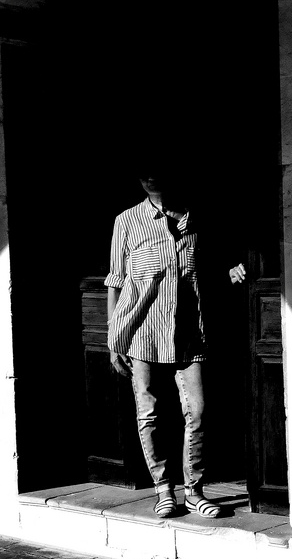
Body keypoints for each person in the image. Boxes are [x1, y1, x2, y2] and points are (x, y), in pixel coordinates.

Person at [105, 160, 245, 518]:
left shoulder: (197, 219)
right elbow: (116, 282)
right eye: (142, 170)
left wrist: (234, 269)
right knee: (149, 414)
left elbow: (214, 269)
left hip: (189, 333)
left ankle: (194, 491)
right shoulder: (126, 221)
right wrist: (113, 336)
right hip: (140, 333)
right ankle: (163, 490)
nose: (150, 176)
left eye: (157, 168)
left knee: (197, 411)